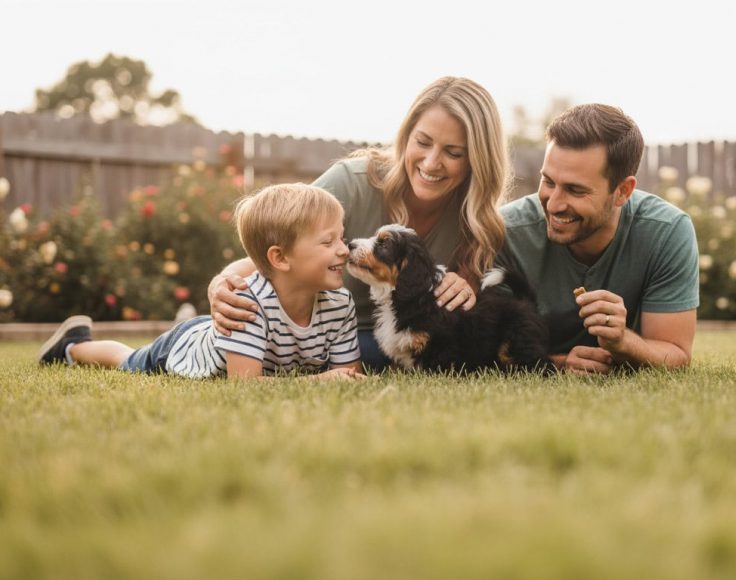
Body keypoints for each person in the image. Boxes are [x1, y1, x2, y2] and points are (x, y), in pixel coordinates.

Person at [208, 77, 511, 369]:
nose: (431, 163)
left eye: (453, 152)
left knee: (373, 355)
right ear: (406, 137)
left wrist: (465, 288)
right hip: (320, 336)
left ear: (477, 160)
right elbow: (274, 254)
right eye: (423, 142)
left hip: (388, 344)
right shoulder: (351, 184)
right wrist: (223, 282)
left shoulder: (476, 221)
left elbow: (464, 327)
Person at [38, 184, 364, 380]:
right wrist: (319, 381)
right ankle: (72, 345)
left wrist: (341, 379)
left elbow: (347, 375)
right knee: (128, 359)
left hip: (217, 335)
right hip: (183, 349)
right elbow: (245, 385)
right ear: (280, 258)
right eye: (327, 242)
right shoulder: (247, 303)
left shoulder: (339, 304)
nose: (343, 249)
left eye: (342, 237)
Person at [497, 103, 699, 373]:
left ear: (622, 191)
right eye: (548, 182)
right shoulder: (505, 232)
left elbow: (675, 353)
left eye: (575, 190)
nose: (554, 204)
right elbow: (487, 348)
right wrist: (557, 364)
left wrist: (623, 341)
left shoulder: (667, 232)